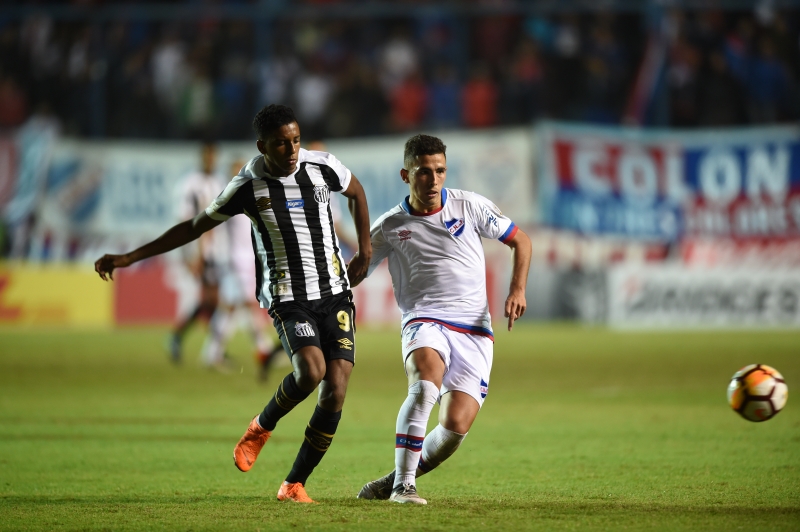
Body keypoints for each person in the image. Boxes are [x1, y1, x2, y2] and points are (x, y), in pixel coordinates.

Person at [94, 104, 372, 503]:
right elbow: (193, 227)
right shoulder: (247, 185)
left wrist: (363, 252)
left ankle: (294, 483)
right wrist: (128, 257)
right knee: (310, 372)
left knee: (336, 391)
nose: (292, 149)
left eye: (294, 139)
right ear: (262, 146)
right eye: (281, 143)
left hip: (334, 290)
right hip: (288, 296)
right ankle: (261, 426)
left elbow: (357, 193)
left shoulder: (323, 166)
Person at [351, 134, 531, 505]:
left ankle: (393, 479)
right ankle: (404, 486)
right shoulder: (390, 226)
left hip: (475, 329)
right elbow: (354, 273)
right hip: (424, 318)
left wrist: (517, 290)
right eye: (423, 172)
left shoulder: (470, 206)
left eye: (439, 171)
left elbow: (521, 241)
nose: (432, 180)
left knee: (454, 428)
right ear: (406, 175)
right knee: (425, 383)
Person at [201, 156, 285, 381]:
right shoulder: (230, 197)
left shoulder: (251, 194)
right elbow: (212, 225)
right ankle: (264, 348)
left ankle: (212, 352)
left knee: (230, 307)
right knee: (250, 304)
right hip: (238, 261)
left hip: (248, 259)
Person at [168, 141, 228, 367]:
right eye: (208, 157)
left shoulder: (219, 182)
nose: (212, 161)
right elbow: (184, 221)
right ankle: (213, 348)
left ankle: (183, 338)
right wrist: (190, 255)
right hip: (202, 251)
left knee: (212, 303)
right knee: (213, 300)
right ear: (202, 158)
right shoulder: (190, 185)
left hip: (220, 250)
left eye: (214, 157)